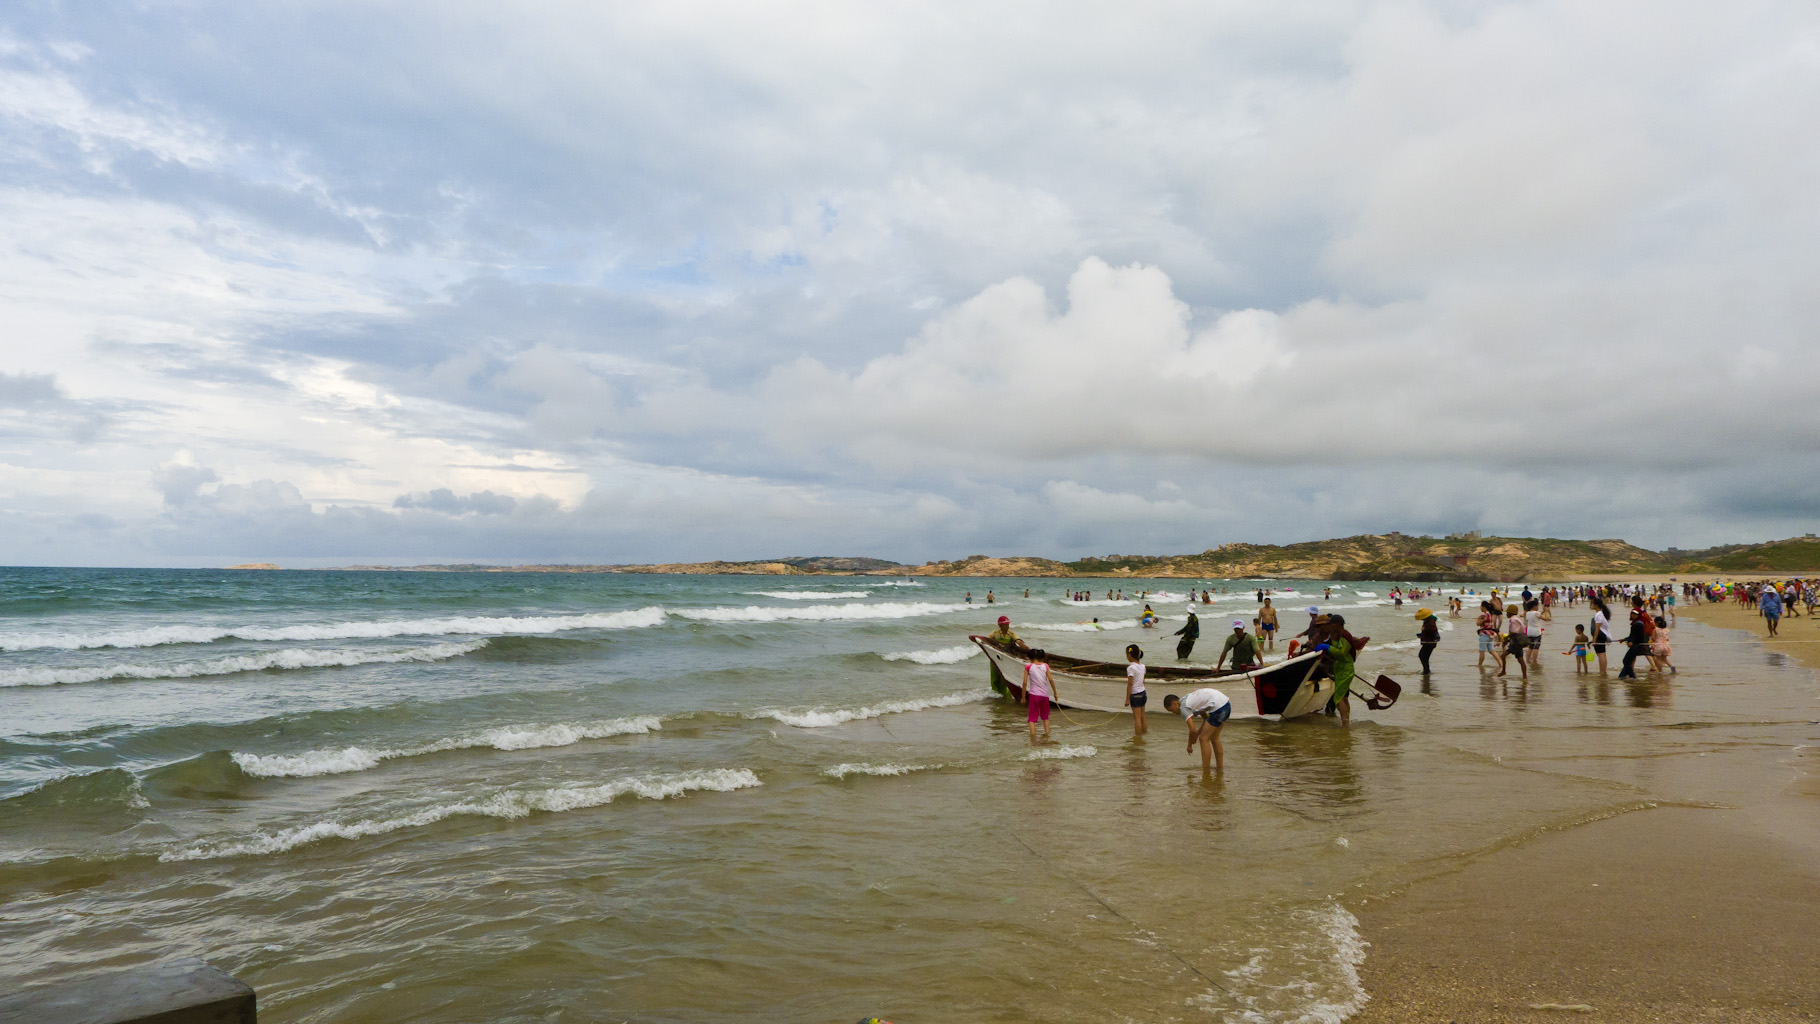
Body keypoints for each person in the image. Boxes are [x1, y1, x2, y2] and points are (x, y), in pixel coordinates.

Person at [1162, 689, 1231, 770]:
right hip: (1226, 705)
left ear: (1175, 703)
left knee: (1203, 739)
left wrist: (1189, 745)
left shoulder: (1183, 708)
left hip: (1218, 708)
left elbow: (1192, 730)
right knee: (1214, 738)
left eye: (1171, 710)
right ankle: (1220, 768)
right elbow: (1206, 720)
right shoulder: (1188, 699)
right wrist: (1196, 735)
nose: (1174, 713)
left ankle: (1206, 770)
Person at [1323, 614, 1359, 727]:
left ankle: (1345, 723)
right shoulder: (1337, 635)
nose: (1330, 627)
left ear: (1338, 625)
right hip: (1339, 668)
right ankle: (1346, 720)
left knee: (1337, 698)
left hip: (1346, 669)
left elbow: (1341, 652)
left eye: (1332, 625)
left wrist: (1326, 647)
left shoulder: (1345, 636)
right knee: (1344, 696)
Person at [984, 615, 1026, 695]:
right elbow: (986, 640)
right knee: (994, 677)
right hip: (995, 658)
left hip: (1006, 659)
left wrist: (1026, 648)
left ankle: (1005, 695)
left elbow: (1018, 641)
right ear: (1000, 626)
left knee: (1005, 678)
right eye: (1005, 624)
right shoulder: (995, 633)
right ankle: (995, 695)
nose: (1007, 626)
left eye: (1008, 624)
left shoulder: (1011, 634)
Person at [1023, 649, 1056, 740]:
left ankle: (1033, 739)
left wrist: (1023, 697)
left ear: (1030, 657)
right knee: (1045, 717)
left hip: (1034, 695)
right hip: (1044, 695)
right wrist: (1055, 693)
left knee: (1032, 719)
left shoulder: (1028, 666)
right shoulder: (1045, 666)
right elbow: (1051, 680)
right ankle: (1047, 736)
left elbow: (1025, 683)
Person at [1497, 606, 1528, 680]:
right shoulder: (1517, 619)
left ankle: (1503, 671)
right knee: (1520, 659)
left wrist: (1506, 639)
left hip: (1516, 642)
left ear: (1511, 613)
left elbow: (1514, 632)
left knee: (1503, 656)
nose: (1506, 614)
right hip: (1520, 640)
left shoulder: (1513, 620)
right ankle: (1524, 677)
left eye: (1507, 612)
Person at [1124, 643, 1148, 736]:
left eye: (1127, 654)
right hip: (1143, 693)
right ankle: (1144, 734)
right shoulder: (1143, 666)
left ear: (1129, 655)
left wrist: (1127, 699)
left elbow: (1130, 684)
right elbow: (1143, 681)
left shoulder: (1131, 668)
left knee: (1137, 718)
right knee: (1143, 717)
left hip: (1135, 694)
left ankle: (1138, 738)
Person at [1588, 596, 1613, 673]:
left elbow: (1597, 628)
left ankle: (1602, 671)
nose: (1591, 605)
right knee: (1602, 654)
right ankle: (1603, 671)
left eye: (1592, 604)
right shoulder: (1600, 614)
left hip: (1600, 636)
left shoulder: (1598, 615)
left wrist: (1594, 640)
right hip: (1602, 635)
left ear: (1596, 605)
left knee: (1601, 654)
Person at [1415, 607, 1440, 674]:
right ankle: (1426, 670)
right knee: (1424, 656)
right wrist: (1422, 634)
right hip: (1429, 642)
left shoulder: (1430, 623)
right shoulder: (1430, 621)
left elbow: (1431, 631)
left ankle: (1426, 670)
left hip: (1429, 642)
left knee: (1422, 656)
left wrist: (1423, 633)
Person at [1475, 600, 1498, 669]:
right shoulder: (1490, 614)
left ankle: (1480, 665)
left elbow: (1478, 624)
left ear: (1484, 607)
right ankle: (1500, 664)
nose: (1480, 608)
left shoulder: (1485, 615)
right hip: (1490, 634)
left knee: (1482, 651)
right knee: (1492, 651)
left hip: (1484, 634)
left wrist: (1478, 618)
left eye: (1481, 606)